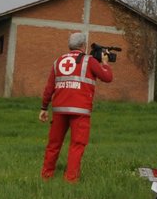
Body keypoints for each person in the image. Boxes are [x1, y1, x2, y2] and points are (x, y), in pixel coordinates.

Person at [38, 32, 114, 181]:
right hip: (80, 111)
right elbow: (107, 77)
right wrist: (105, 63)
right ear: (84, 45)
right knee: (77, 145)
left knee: (53, 144)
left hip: (59, 110)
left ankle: (46, 175)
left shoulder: (58, 61)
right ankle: (70, 179)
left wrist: (43, 108)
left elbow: (49, 88)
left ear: (70, 45)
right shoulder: (89, 61)